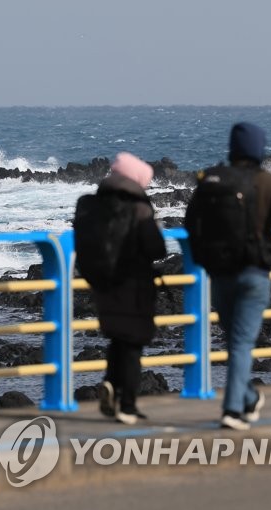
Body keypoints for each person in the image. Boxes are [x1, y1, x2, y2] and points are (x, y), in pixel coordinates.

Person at [186, 122, 271, 431]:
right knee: (241, 343)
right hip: (254, 273)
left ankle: (248, 398)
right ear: (259, 148)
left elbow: (190, 221)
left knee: (234, 340)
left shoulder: (213, 180)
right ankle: (233, 410)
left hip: (220, 273)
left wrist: (202, 258)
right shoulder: (270, 182)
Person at [91, 152, 168, 425]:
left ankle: (111, 382)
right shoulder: (138, 206)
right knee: (133, 343)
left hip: (102, 283)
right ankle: (127, 405)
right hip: (134, 285)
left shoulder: (97, 202)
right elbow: (157, 248)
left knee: (118, 338)